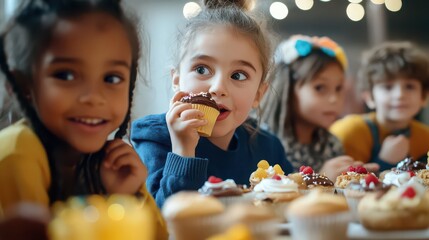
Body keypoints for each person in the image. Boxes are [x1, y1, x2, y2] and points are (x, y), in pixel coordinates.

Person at [0, 0, 167, 238]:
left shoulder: (103, 161)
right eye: (66, 75)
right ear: (24, 85)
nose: (93, 97)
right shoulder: (19, 151)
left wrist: (126, 196)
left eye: (111, 78)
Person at [131, 0, 293, 207]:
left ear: (258, 95)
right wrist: (183, 151)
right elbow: (167, 224)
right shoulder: (156, 139)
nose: (218, 88)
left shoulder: (268, 148)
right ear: (177, 80)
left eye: (238, 75)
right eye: (201, 70)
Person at [261, 35, 379, 181]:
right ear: (288, 89)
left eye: (339, 88)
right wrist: (321, 178)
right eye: (320, 87)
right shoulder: (263, 141)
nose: (334, 99)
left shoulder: (332, 144)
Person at [331, 41, 429, 171]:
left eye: (410, 86)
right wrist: (385, 161)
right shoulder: (350, 132)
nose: (400, 95)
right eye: (388, 87)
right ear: (369, 97)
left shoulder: (425, 137)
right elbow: (339, 186)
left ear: (424, 97)